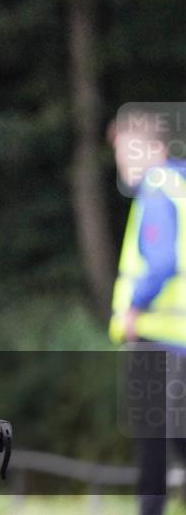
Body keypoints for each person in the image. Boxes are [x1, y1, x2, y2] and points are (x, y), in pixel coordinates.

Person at [110, 111, 186, 515]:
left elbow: (160, 262)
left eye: (128, 149)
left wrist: (133, 309)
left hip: (157, 336)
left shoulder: (156, 188)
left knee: (154, 447)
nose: (123, 160)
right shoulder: (180, 185)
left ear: (154, 148)